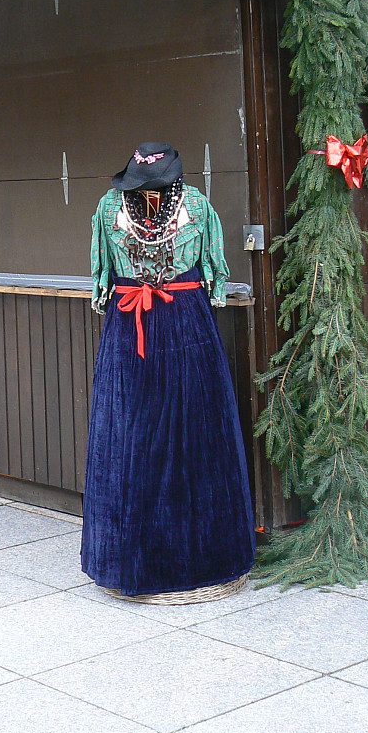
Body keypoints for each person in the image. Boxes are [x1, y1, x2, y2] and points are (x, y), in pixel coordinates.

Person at [82, 142, 255, 600]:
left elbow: (212, 270)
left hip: (187, 328)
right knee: (131, 437)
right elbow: (103, 272)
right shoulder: (108, 208)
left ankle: (204, 560)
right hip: (129, 330)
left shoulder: (196, 206)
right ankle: (132, 561)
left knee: (195, 432)